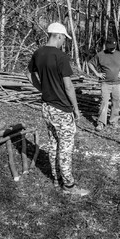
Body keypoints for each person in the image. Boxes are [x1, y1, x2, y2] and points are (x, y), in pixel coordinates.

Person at [29, 22, 88, 196]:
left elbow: (28, 74)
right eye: (64, 39)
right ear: (59, 36)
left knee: (54, 143)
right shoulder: (60, 57)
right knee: (65, 147)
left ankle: (56, 179)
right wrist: (76, 109)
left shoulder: (38, 53)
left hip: (46, 107)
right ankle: (69, 186)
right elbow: (68, 87)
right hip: (61, 108)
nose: (64, 42)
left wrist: (42, 89)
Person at [89, 40, 120, 129]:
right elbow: (90, 63)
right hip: (105, 83)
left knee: (116, 102)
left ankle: (113, 121)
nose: (112, 49)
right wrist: (97, 74)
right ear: (107, 46)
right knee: (104, 102)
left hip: (116, 84)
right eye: (110, 47)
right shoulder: (100, 55)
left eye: (113, 48)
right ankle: (101, 123)